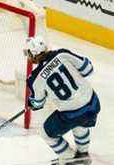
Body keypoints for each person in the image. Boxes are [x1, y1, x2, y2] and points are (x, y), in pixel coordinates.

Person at [25, 36, 100, 165]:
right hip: (92, 103)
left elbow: (38, 104)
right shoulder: (62, 54)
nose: (28, 56)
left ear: (34, 54)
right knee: (81, 122)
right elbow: (88, 69)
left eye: (28, 53)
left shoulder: (34, 78)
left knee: (46, 133)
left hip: (72, 114)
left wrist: (31, 103)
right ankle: (83, 155)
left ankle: (69, 159)